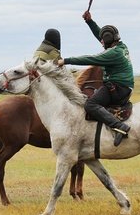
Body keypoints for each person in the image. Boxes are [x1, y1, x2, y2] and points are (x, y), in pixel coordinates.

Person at [57, 11, 134, 146]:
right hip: (124, 87)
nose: (101, 42)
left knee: (90, 104)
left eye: (103, 40)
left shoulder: (112, 53)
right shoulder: (121, 47)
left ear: (109, 39)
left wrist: (66, 61)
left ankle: (120, 127)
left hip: (118, 89)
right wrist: (89, 22)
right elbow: (101, 36)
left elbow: (92, 58)